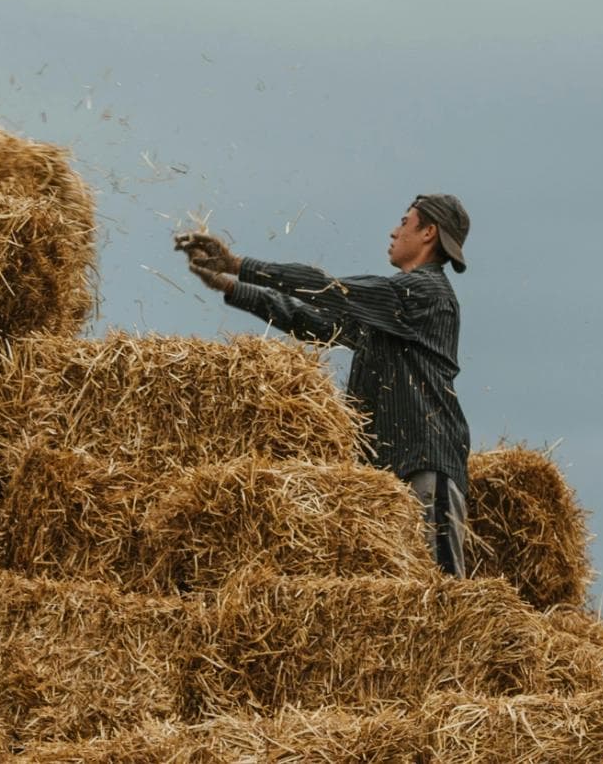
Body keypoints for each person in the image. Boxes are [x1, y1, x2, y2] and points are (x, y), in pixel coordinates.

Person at [174, 194, 472, 576]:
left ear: (428, 232)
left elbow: (329, 288)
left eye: (404, 222)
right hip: (387, 471)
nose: (394, 231)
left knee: (444, 588)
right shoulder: (390, 313)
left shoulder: (424, 293)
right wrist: (230, 287)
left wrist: (238, 265)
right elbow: (312, 322)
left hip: (426, 462)